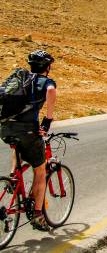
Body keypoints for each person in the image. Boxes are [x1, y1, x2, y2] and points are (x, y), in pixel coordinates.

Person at [0, 50, 56, 231]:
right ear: (47, 67)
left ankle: (12, 176)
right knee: (40, 170)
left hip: (5, 127)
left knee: (16, 145)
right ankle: (38, 216)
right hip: (28, 130)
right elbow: (51, 91)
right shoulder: (45, 81)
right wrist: (47, 121)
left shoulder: (20, 79)